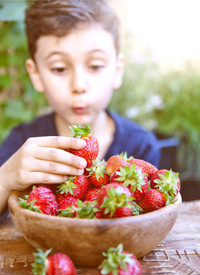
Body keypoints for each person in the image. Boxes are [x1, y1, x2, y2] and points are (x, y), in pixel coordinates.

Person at [0, 0, 161, 216]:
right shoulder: (23, 144)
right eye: (59, 68)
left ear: (117, 70)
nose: (79, 85)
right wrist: (4, 180)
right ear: (36, 74)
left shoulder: (142, 146)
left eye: (95, 66)